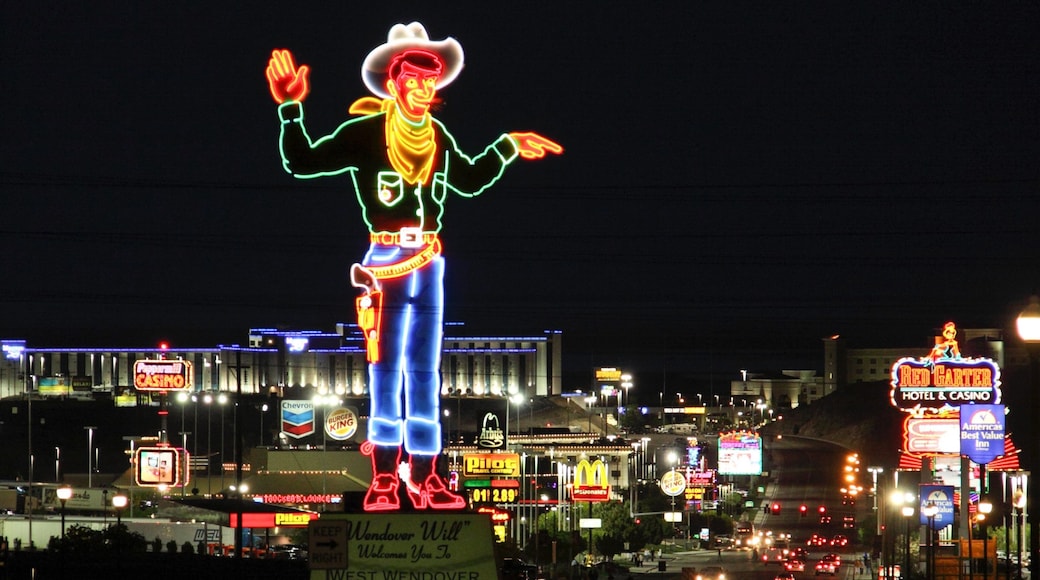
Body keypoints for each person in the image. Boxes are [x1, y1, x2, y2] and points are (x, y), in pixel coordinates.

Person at [266, 23, 561, 512]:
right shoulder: (365, 133)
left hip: (430, 264)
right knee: (385, 370)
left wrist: (507, 146)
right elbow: (300, 159)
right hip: (384, 262)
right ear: (395, 83)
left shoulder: (438, 136)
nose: (425, 89)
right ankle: (384, 477)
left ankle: (425, 476)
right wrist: (290, 108)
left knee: (425, 372)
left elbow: (467, 178)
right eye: (416, 79)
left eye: (432, 80)